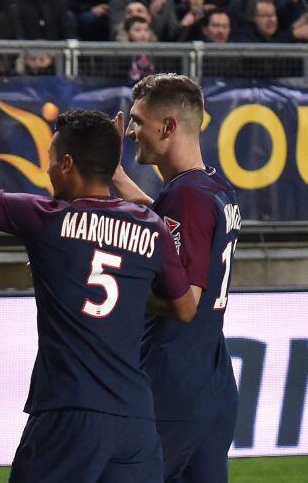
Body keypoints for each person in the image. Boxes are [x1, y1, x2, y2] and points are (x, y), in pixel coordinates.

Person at [0, 44, 196, 482]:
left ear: (68, 164)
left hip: (68, 415)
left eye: (52, 159)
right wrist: (129, 295)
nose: (48, 170)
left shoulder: (47, 219)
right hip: (134, 420)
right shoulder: (152, 226)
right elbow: (185, 307)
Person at [112, 73, 242, 482]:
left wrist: (109, 279)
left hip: (171, 382)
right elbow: (166, 222)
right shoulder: (215, 188)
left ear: (167, 127)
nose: (130, 130)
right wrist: (114, 175)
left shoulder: (185, 197)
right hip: (212, 381)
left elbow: (182, 302)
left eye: (137, 121)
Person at [109, 0, 179, 41]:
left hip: (160, 50)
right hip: (129, 50)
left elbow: (172, 31)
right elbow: (117, 33)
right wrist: (151, 15)